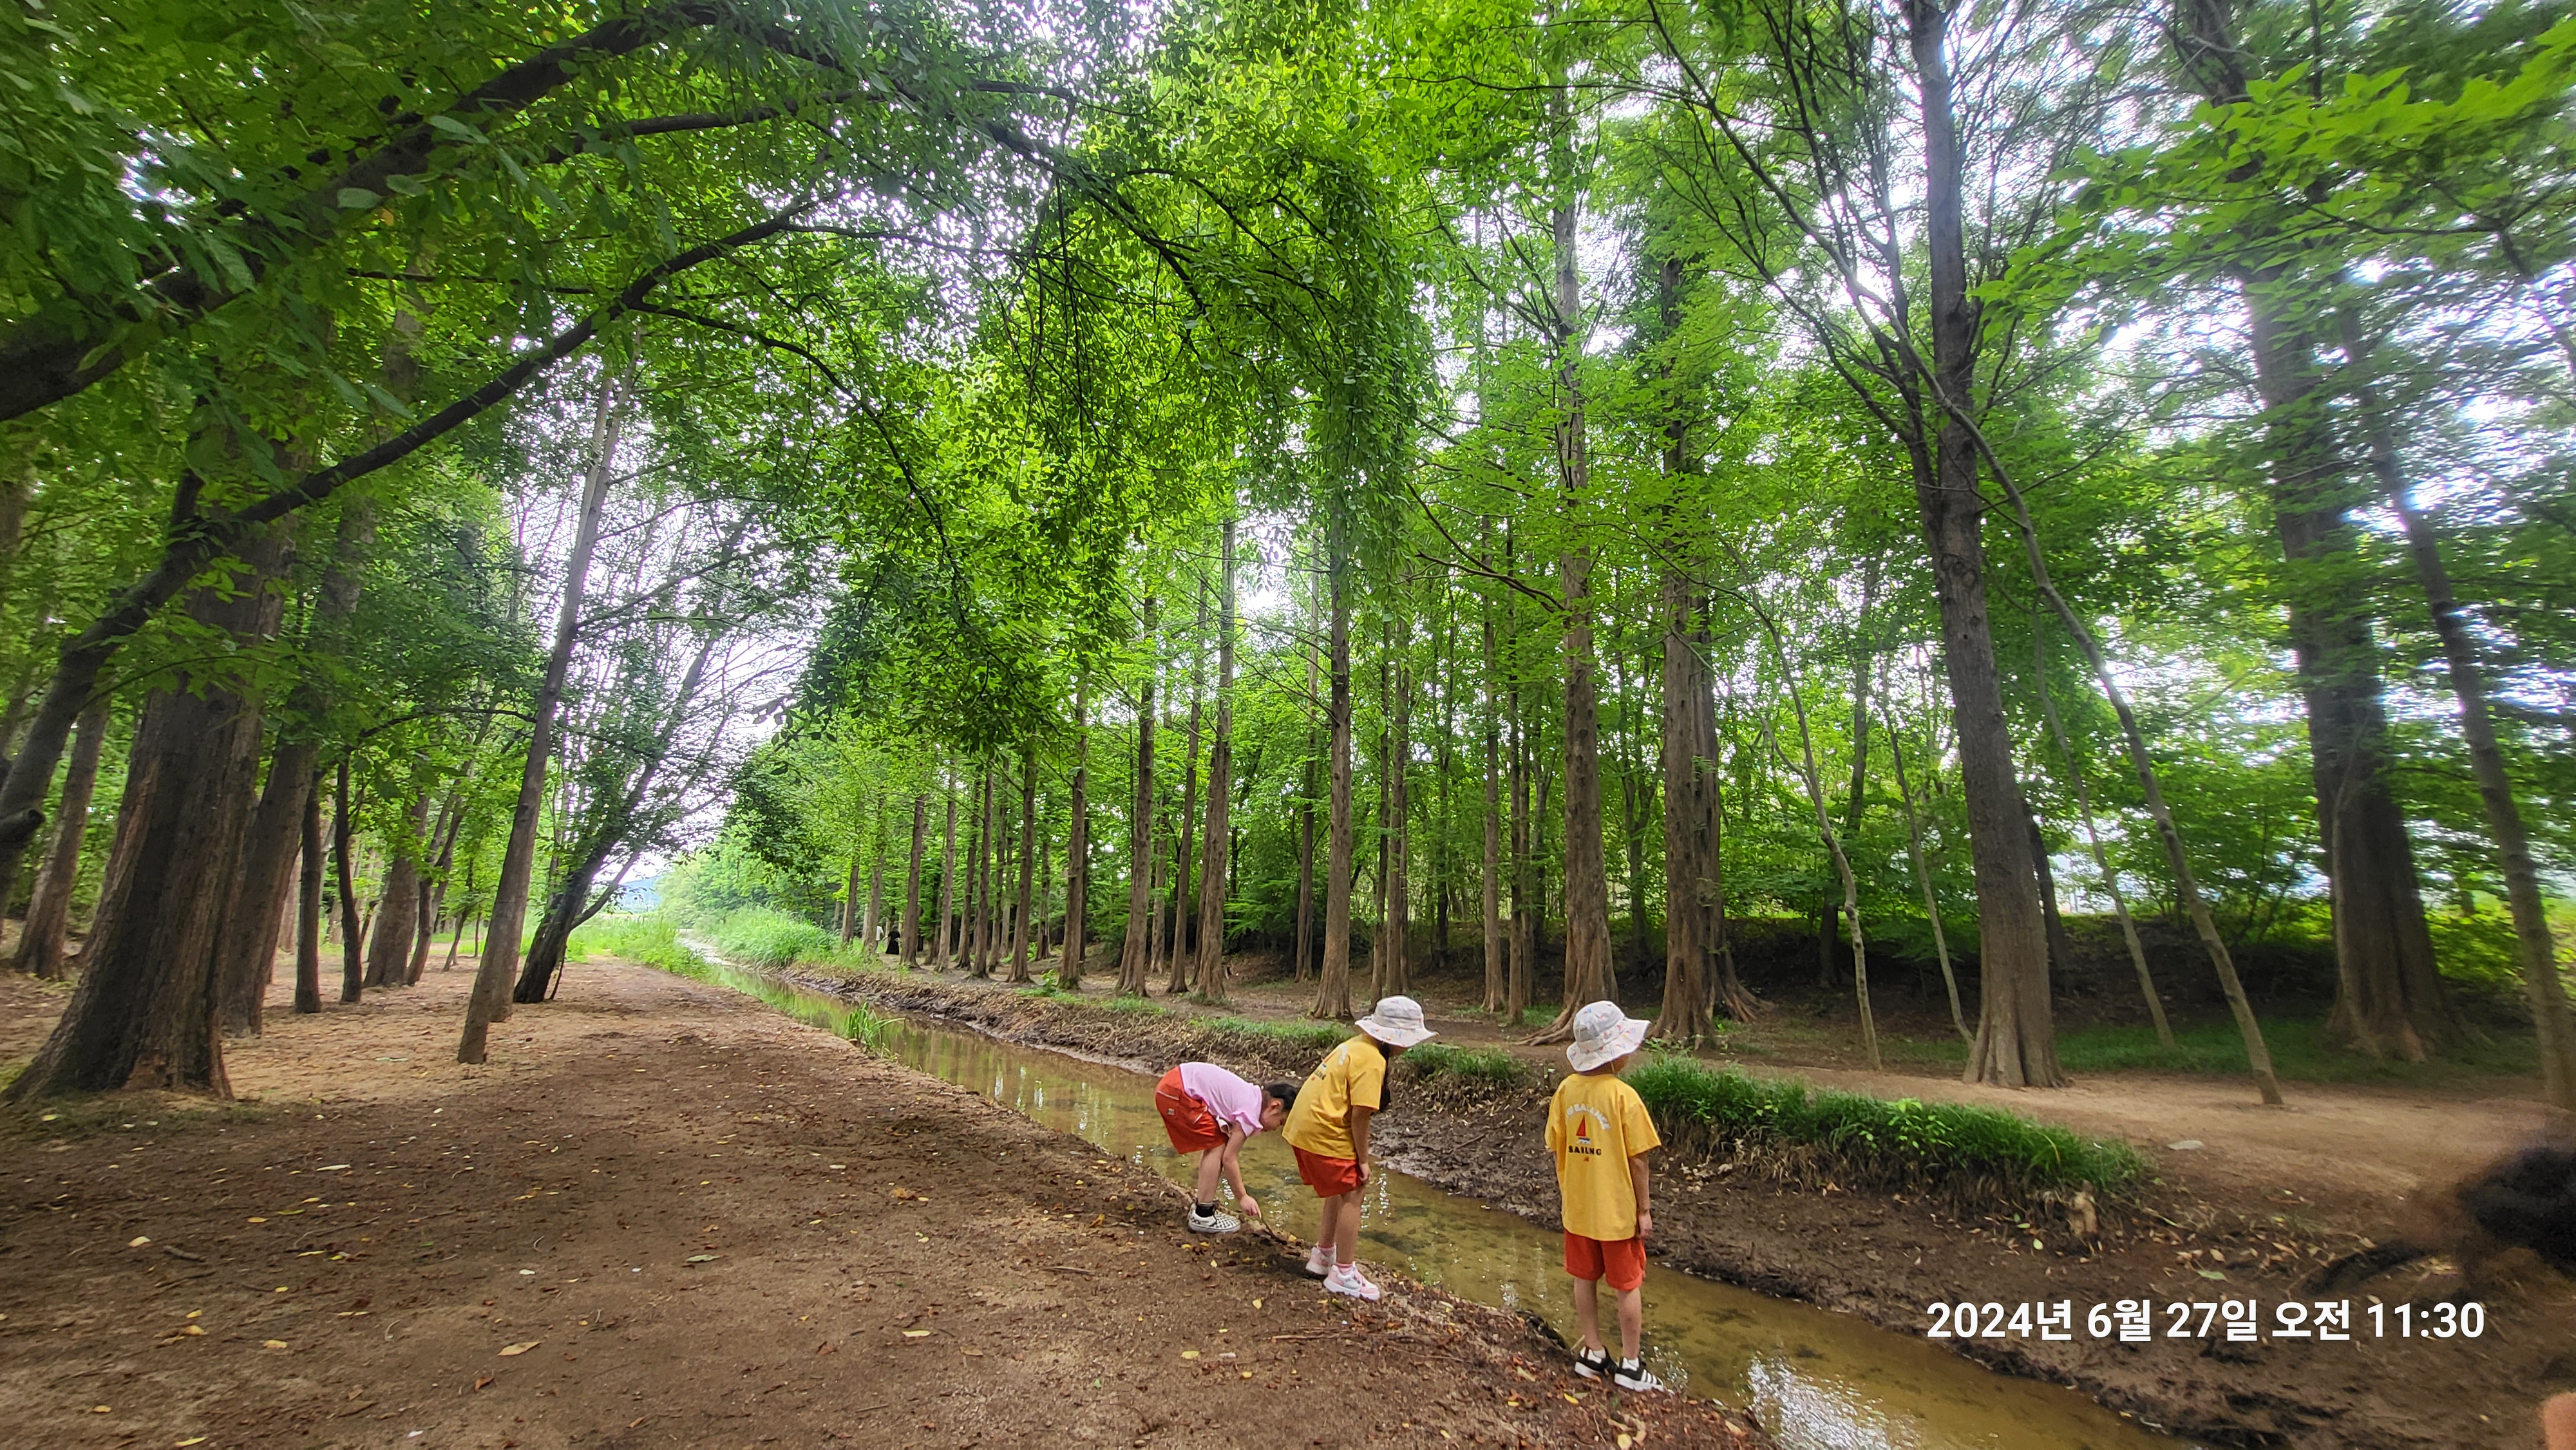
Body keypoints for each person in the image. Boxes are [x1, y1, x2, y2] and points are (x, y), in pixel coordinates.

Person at [1280, 994, 1436, 1301]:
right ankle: (1344, 1272)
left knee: (1340, 1189)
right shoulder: (1373, 1061)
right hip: (1323, 1132)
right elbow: (1360, 1116)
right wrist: (1363, 1160)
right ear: (1397, 1039)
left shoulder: (1354, 1046)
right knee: (1354, 1188)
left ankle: (1323, 1256)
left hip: (1302, 1127)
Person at [1547, 1000, 1667, 1393]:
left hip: (1578, 1209)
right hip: (1617, 1213)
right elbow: (1639, 1162)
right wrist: (1644, 1211)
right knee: (1627, 1285)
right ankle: (1631, 1364)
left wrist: (1570, 1191)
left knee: (1584, 1279)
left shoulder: (1565, 1091)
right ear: (1617, 1052)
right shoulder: (1623, 1097)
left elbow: (1557, 1146)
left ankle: (1593, 1352)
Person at [1153, 1061, 1296, 1233]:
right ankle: (1203, 1215)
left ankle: (1202, 1207)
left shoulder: (1251, 1096)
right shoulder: (1250, 1112)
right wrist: (1243, 1197)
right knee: (1217, 1145)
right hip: (1177, 1091)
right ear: (1275, 1106)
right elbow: (1229, 1159)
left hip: (1172, 1085)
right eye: (1280, 1122)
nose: (1275, 1129)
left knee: (1217, 1141)